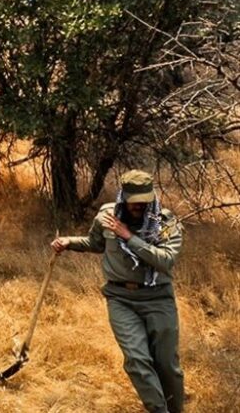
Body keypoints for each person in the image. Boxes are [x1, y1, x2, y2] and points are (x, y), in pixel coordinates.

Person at [51, 170, 184, 413]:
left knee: (167, 365)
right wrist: (69, 242)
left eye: (144, 201)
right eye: (134, 202)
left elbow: (165, 261)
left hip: (158, 298)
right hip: (120, 298)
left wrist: (129, 237)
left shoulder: (166, 223)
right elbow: (96, 243)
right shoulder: (106, 216)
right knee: (137, 360)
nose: (140, 206)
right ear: (123, 197)